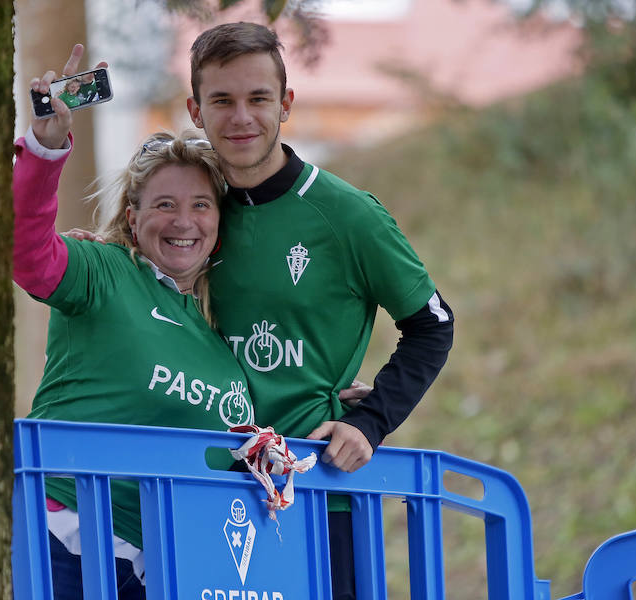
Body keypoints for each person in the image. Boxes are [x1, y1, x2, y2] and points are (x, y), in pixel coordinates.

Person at [186, 22, 455, 600]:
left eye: (258, 98)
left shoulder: (348, 215)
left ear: (285, 104)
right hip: (202, 485)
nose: (241, 118)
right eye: (222, 101)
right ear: (194, 109)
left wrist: (371, 422)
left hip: (314, 487)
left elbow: (432, 326)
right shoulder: (190, 215)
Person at [15, 46, 254, 599]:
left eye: (201, 206)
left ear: (219, 225)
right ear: (133, 216)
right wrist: (45, 147)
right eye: (164, 204)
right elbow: (27, 254)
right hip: (66, 540)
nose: (183, 221)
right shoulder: (103, 271)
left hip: (170, 564)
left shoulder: (223, 343)